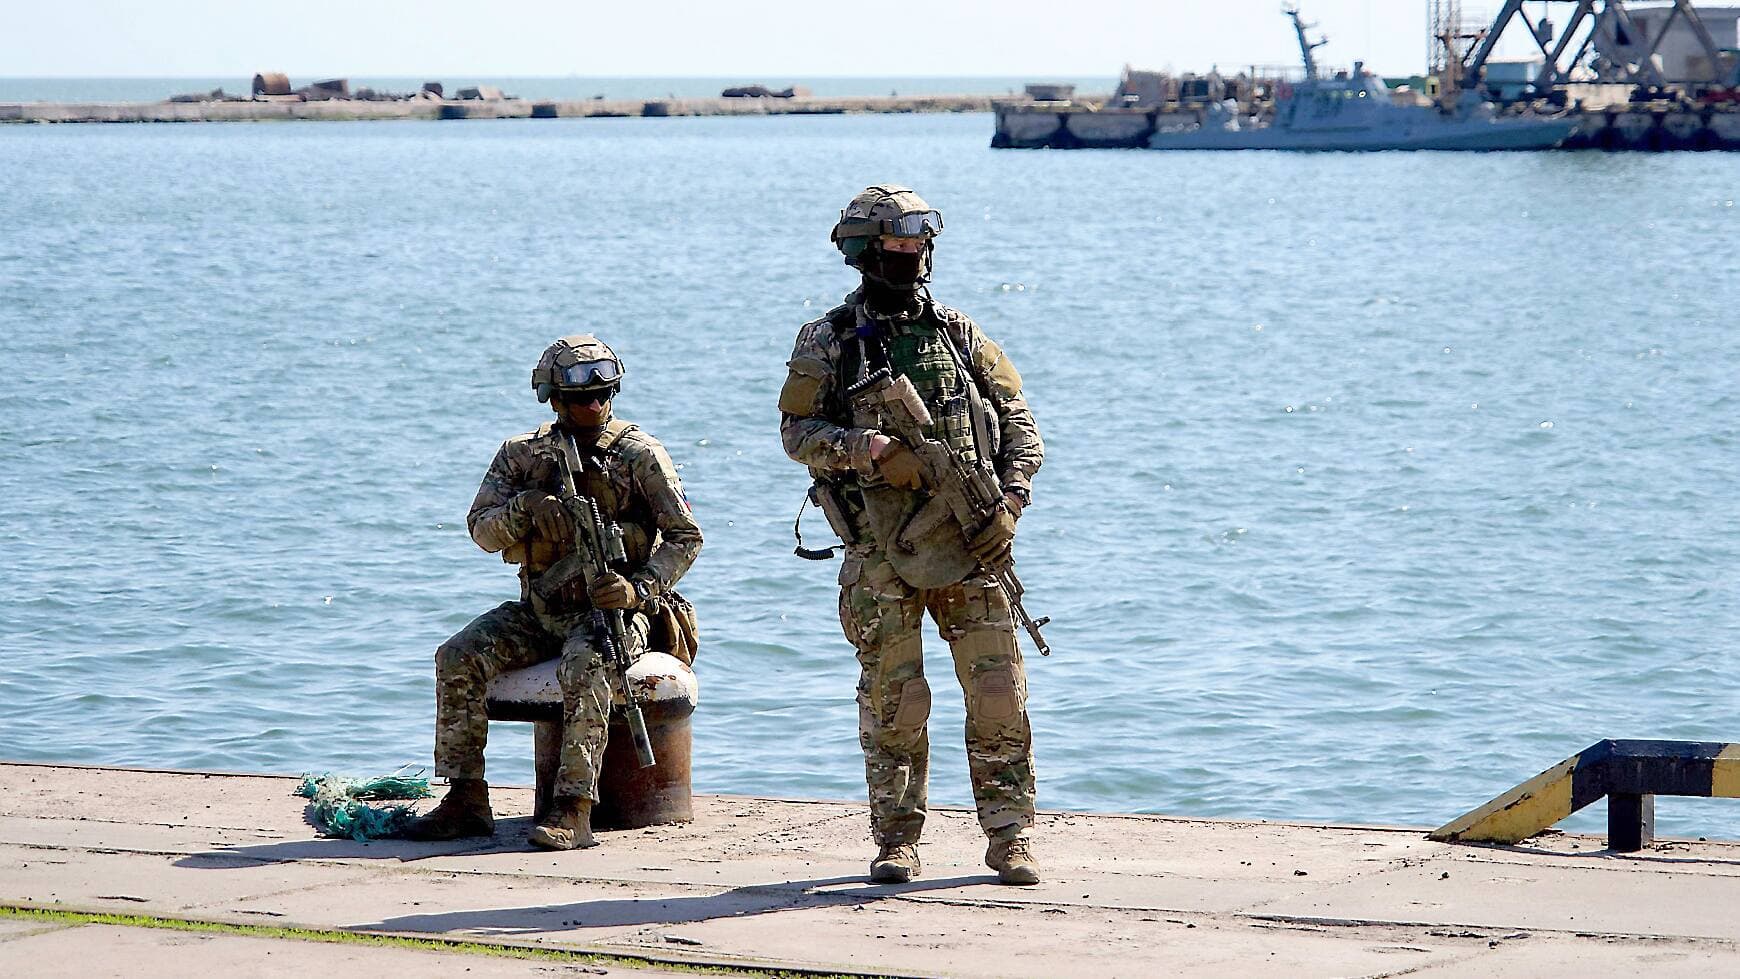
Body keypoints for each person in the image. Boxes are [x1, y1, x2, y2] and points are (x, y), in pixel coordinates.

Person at [778, 185, 1045, 885]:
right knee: (895, 704)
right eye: (898, 245)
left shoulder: (957, 333)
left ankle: (1010, 835)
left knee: (998, 694)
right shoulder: (828, 340)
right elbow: (796, 433)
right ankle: (896, 839)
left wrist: (1012, 501)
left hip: (971, 540)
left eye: (919, 244)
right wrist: (869, 450)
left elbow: (1019, 422)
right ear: (865, 252)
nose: (912, 256)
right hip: (879, 552)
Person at [404, 335, 702, 850]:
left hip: (613, 614)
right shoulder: (522, 455)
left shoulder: (639, 456)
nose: (595, 405)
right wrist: (526, 508)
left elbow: (685, 537)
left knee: (587, 663)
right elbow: (481, 530)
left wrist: (636, 588)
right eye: (582, 397)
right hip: (541, 610)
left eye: (603, 395)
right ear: (555, 399)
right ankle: (465, 798)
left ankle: (574, 808)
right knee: (458, 654)